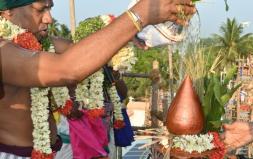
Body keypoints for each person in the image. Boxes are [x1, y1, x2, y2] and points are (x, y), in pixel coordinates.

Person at [0, 0, 197, 158]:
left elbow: (83, 52)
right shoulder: (3, 51)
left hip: (52, 150)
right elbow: (66, 68)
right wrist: (140, 15)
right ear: (8, 11)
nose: (49, 18)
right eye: (40, 9)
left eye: (50, 8)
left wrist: (130, 36)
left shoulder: (42, 43)